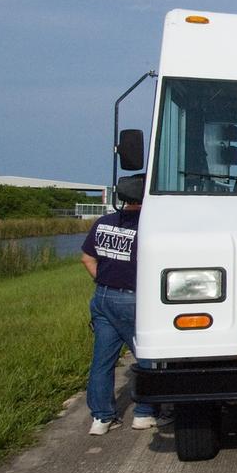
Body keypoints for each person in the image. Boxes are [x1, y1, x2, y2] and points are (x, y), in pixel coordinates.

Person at [80, 174, 170, 434]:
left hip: (103, 296)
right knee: (147, 357)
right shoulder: (147, 227)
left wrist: (107, 281)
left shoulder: (104, 223)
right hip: (133, 298)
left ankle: (101, 417)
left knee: (102, 361)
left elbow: (87, 258)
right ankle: (144, 413)